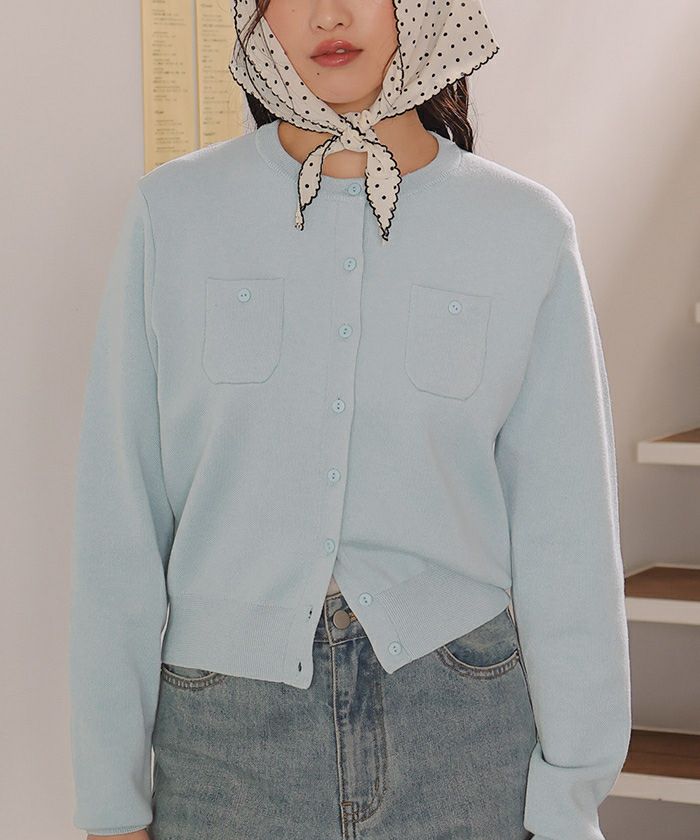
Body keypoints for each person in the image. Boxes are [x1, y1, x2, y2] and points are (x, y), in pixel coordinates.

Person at [69, 1, 632, 838]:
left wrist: (570, 801)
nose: (327, 13)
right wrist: (110, 804)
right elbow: (118, 524)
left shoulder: (524, 231)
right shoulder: (174, 215)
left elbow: (568, 538)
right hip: (223, 744)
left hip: (462, 728)